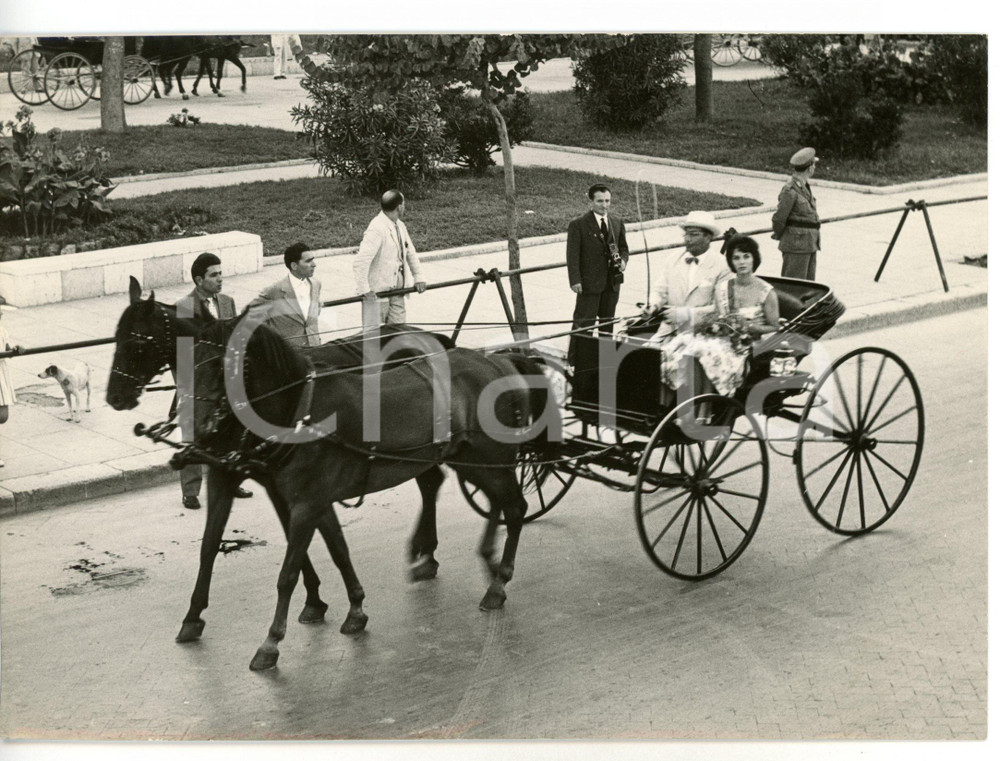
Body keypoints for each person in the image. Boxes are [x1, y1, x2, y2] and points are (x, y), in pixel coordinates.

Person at [659, 233, 781, 397]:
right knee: (678, 346)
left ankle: (704, 409)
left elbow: (774, 326)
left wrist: (748, 326)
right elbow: (717, 316)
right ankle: (676, 403)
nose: (742, 262)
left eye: (746, 256)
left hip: (744, 345)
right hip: (720, 338)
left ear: (754, 259)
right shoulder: (723, 288)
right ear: (731, 262)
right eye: (736, 258)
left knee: (704, 350)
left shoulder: (766, 292)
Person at [174, 253, 251, 508]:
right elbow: (182, 353)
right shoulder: (185, 307)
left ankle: (232, 479)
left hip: (226, 377)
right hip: (199, 380)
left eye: (221, 273)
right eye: (214, 275)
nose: (220, 279)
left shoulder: (228, 302)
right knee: (193, 431)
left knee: (230, 429)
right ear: (199, 280)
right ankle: (191, 491)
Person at [566, 183, 629, 367]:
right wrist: (575, 280)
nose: (604, 205)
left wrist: (623, 261)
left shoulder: (616, 222)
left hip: (612, 283)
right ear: (591, 201)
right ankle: (575, 362)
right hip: (589, 283)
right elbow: (572, 255)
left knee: (607, 324)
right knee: (584, 323)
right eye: (600, 201)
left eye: (607, 201)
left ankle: (604, 361)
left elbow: (624, 247)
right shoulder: (578, 225)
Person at [353, 190, 427, 326]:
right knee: (374, 340)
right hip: (377, 294)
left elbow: (410, 252)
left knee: (398, 334)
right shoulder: (376, 228)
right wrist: (365, 290)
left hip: (397, 292)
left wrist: (418, 276)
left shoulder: (400, 226)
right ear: (399, 207)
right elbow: (360, 262)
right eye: (404, 204)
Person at [248, 243, 324, 349]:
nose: (314, 264)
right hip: (289, 355)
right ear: (294, 266)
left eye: (313, 260)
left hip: (315, 349)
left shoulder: (316, 285)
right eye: (308, 261)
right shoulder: (274, 290)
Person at [772, 147, 821, 281]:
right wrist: (786, 236)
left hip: (809, 244)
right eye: (814, 164)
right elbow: (778, 219)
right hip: (796, 246)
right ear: (809, 168)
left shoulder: (804, 187)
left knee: (808, 288)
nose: (814, 168)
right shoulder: (790, 190)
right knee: (794, 287)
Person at [0, 302, 24, 468]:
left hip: (1, 374)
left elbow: (8, 349)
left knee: (2, 416)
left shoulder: (2, 330)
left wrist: (15, 349)